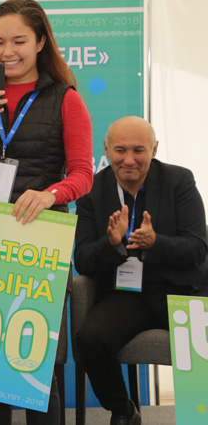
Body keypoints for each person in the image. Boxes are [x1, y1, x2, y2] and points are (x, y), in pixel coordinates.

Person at [0, 0, 94, 424]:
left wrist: (50, 194)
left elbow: (83, 174)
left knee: (37, 367)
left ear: (41, 42)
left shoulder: (65, 99)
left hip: (38, 243)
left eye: (19, 41)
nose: (7, 52)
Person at [74, 116, 208, 425]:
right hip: (126, 293)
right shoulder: (92, 190)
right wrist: (111, 244)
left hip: (181, 289)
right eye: (120, 150)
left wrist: (155, 242)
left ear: (154, 149)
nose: (129, 159)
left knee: (199, 341)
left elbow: (197, 248)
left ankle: (198, 417)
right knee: (91, 339)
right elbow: (83, 260)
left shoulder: (179, 181)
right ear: (106, 149)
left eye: (139, 150)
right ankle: (123, 410)